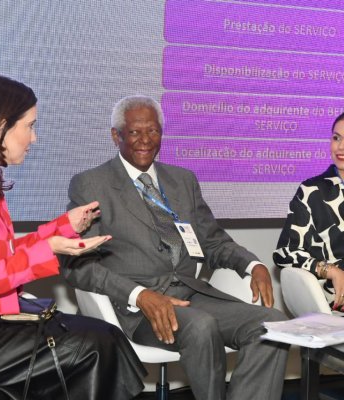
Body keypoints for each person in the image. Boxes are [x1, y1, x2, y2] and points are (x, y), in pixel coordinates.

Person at [61, 95, 289, 400]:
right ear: (116, 136)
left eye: (153, 131)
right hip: (137, 308)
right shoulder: (91, 185)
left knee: (271, 323)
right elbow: (77, 265)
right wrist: (138, 295)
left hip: (193, 295)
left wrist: (252, 265)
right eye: (134, 132)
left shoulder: (183, 180)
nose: (145, 140)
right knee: (201, 326)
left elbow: (212, 240)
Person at [0, 76, 146, 400]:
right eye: (29, 126)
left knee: (105, 338)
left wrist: (63, 228)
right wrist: (47, 251)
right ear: (0, 128)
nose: (33, 138)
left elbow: (4, 254)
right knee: (97, 346)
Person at [274, 112, 344, 312]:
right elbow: (284, 253)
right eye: (336, 138)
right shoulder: (312, 191)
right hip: (333, 302)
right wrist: (330, 270)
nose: (340, 147)